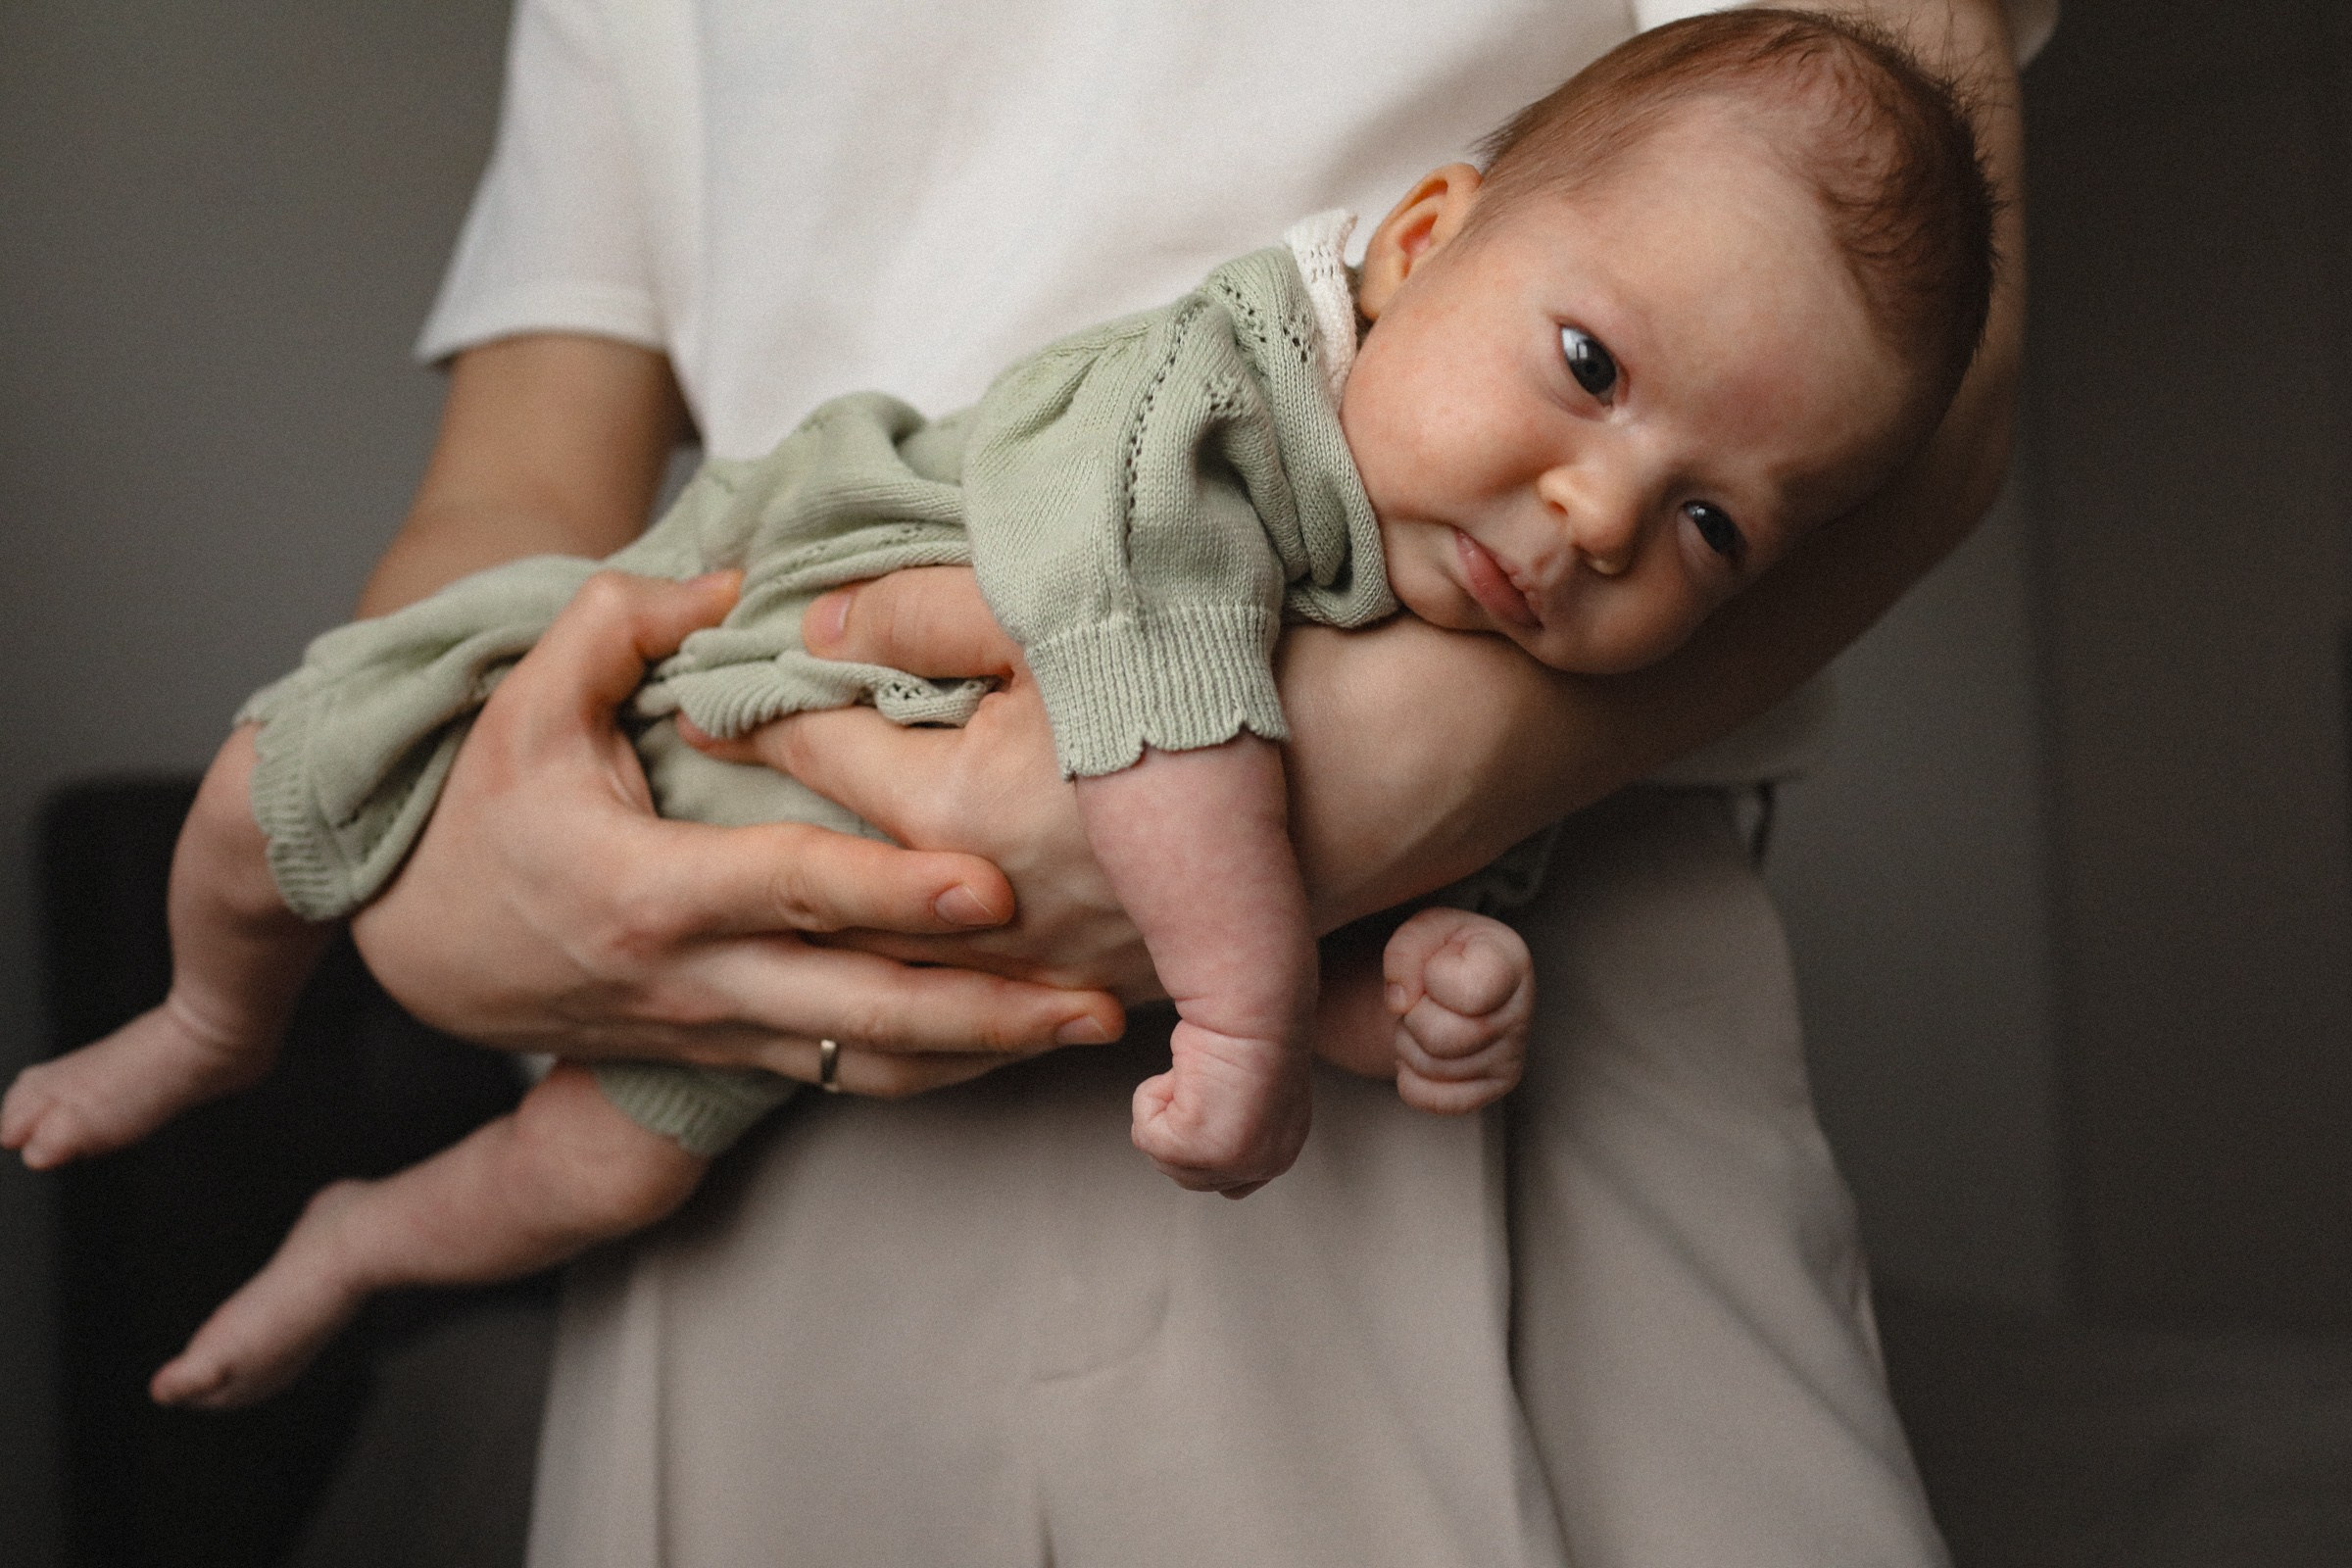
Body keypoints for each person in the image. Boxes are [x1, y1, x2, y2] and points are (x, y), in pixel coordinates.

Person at [85, 0, 2061, 1558]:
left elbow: (1921, 381)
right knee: (527, 1074)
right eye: (1589, 371)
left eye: (1707, 523)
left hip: (1448, 1097)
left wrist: (1355, 943)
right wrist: (462, 881)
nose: (1601, 515)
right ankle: (281, 1114)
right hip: (771, 986)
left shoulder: (1504, 546)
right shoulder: (1195, 402)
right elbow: (520, 487)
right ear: (1430, 239)